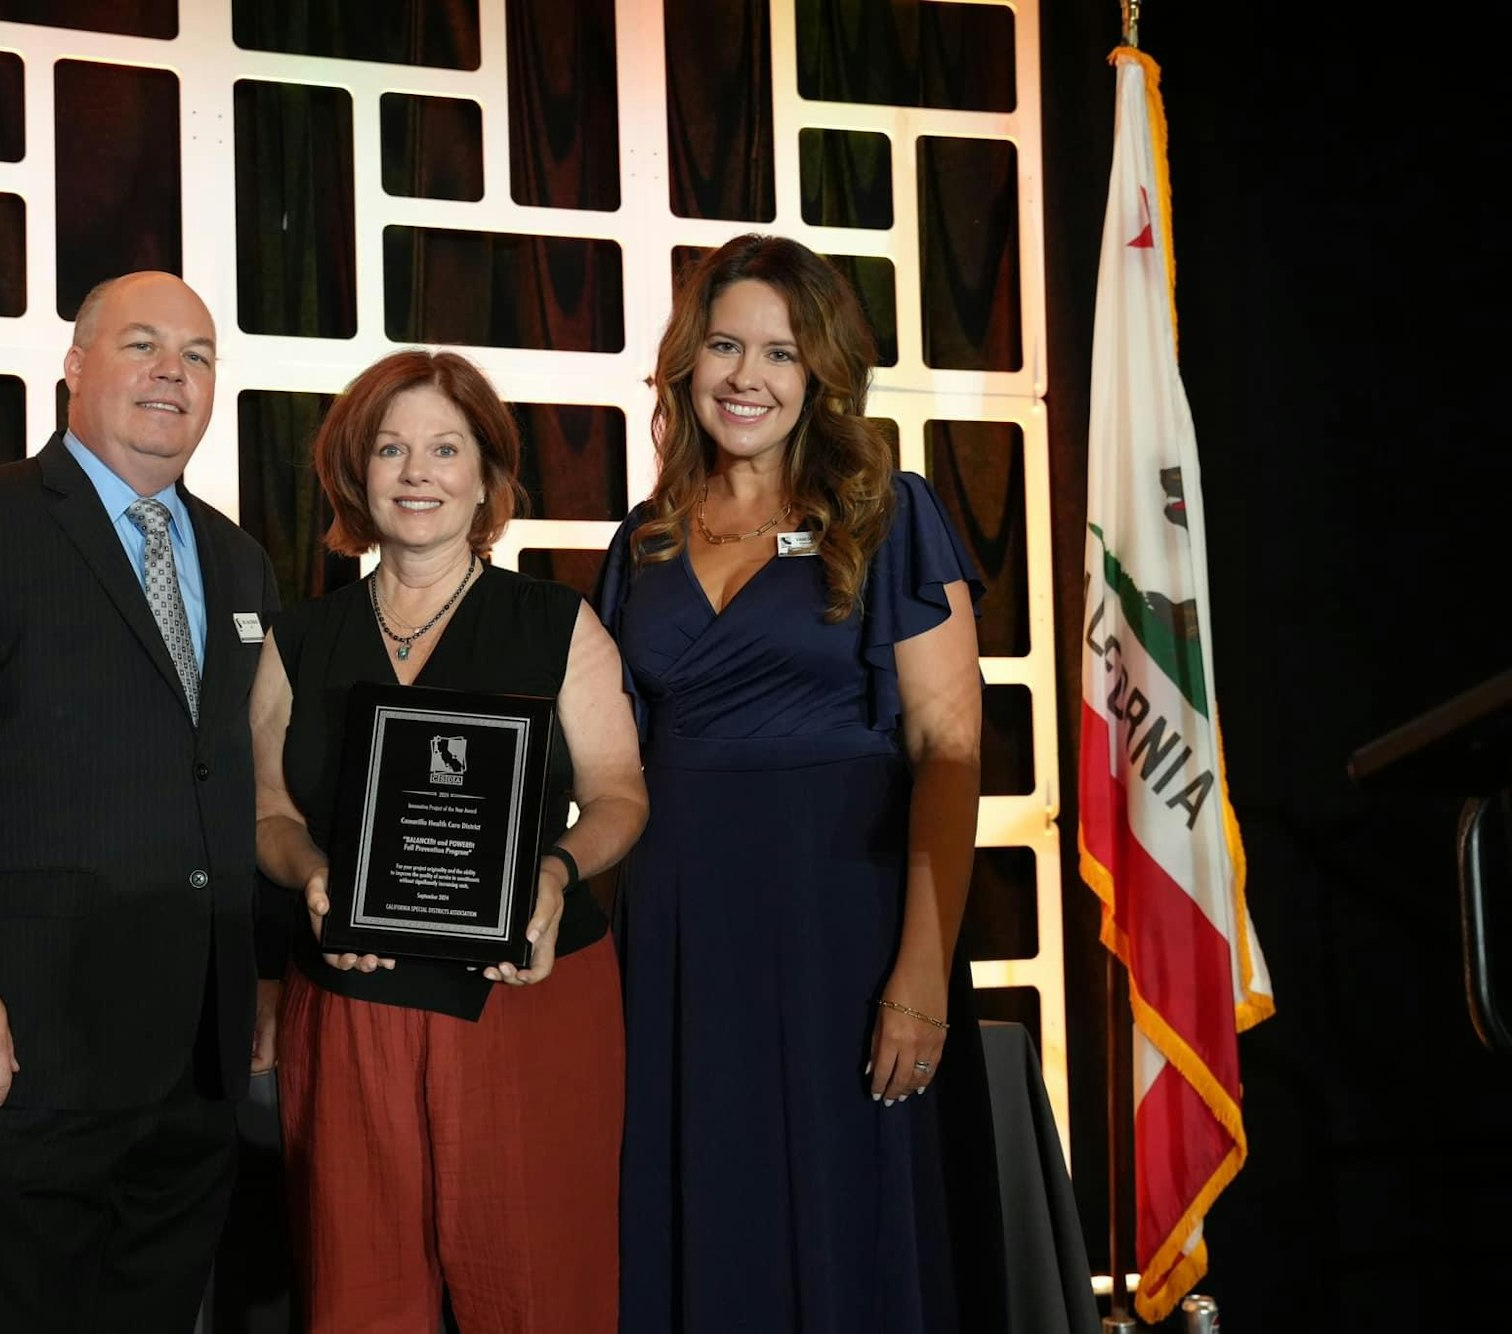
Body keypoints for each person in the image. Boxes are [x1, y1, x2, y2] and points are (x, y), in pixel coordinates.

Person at [0, 270, 282, 1332]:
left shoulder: (238, 559)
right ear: (76, 366)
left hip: (193, 1060)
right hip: (19, 1047)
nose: (171, 374)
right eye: (142, 345)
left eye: (196, 356)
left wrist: (258, 973)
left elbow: (236, 780)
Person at [594, 234, 1007, 1332]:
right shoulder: (639, 541)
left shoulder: (889, 513)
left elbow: (950, 753)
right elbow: (604, 761)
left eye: (779, 352)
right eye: (723, 344)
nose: (746, 376)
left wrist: (919, 969)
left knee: (843, 1214)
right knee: (688, 1212)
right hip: (675, 940)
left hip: (841, 927)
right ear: (684, 362)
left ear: (819, 373)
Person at [250, 348, 647, 1333]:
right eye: (390, 449)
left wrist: (554, 870)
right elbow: (266, 812)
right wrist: (310, 877)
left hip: (526, 997)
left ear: (485, 478)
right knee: (358, 1297)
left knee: (536, 1292)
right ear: (356, 473)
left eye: (443, 448)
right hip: (349, 996)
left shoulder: (557, 623)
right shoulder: (295, 638)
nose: (416, 471)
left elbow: (620, 792)